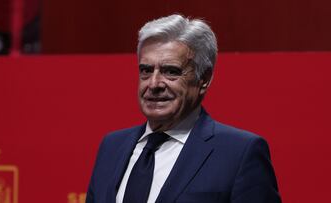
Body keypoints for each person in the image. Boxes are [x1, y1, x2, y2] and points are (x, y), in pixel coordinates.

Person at [86, 14, 281, 203]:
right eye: (146, 71)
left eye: (171, 71)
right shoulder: (111, 146)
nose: (154, 84)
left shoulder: (240, 153)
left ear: (203, 79)